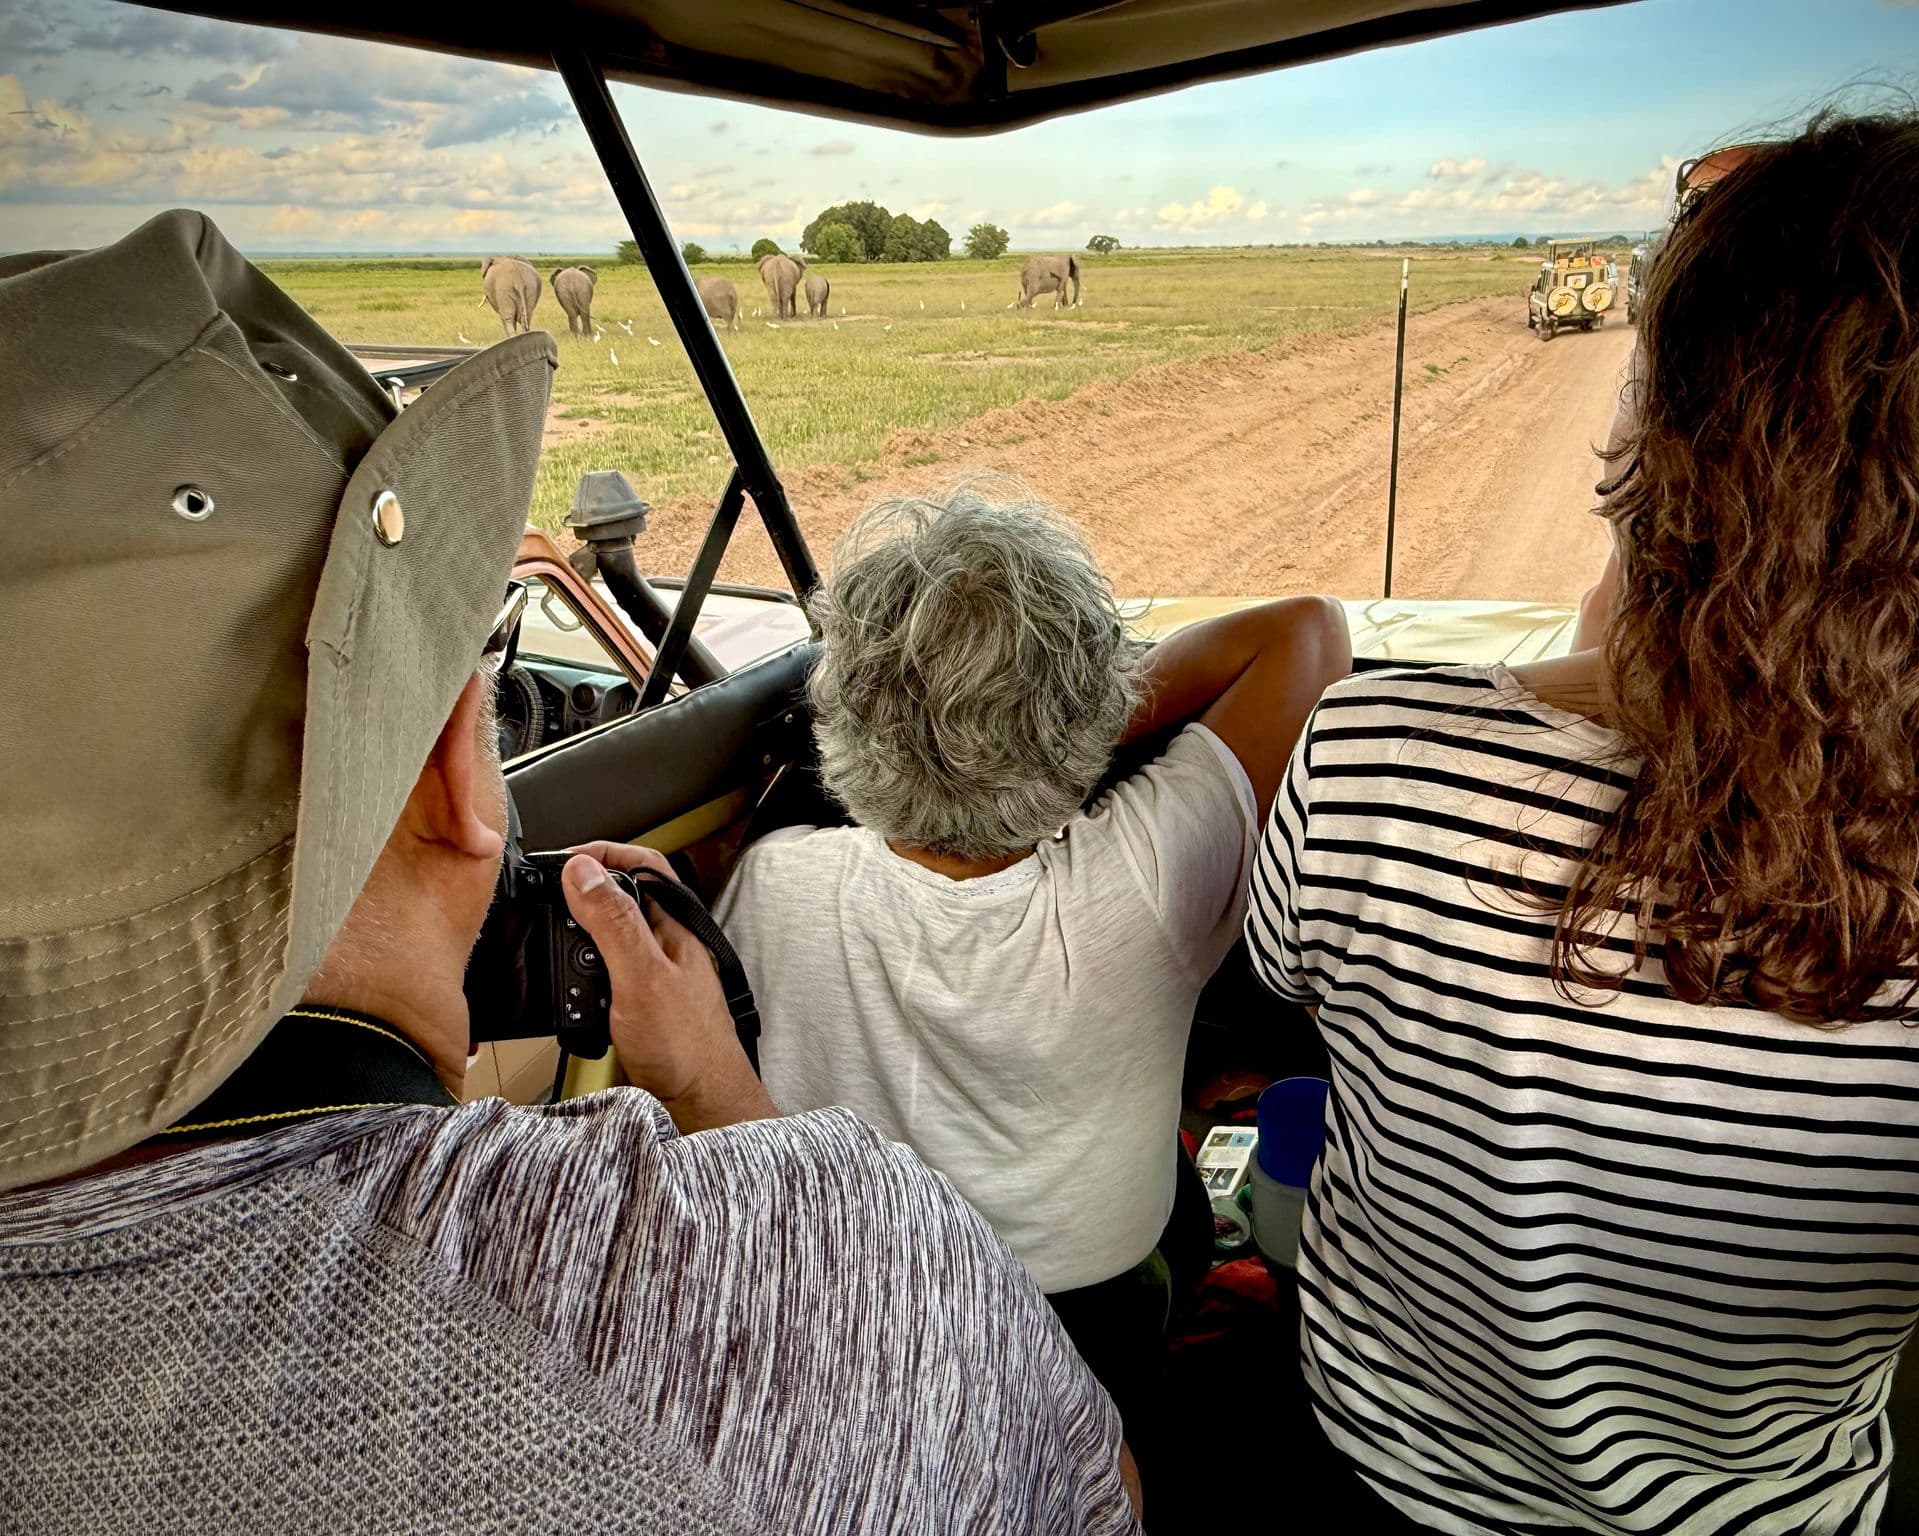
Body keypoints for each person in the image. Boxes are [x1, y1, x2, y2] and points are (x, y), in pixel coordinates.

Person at [0, 212, 1139, 1534]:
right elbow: (1102, 1489)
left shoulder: (788, 891)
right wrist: (715, 1087)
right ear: (448, 774)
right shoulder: (830, 1251)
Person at [1247, 112, 1919, 1535]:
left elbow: (1288, 989)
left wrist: (1613, 627)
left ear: (1664, 431)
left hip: (1386, 1481)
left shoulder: (1378, 754)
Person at [713, 484, 1351, 1445]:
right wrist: (1076, 731)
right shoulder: (1153, 871)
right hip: (1095, 1313)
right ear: (1086, 706)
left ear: (841, 712)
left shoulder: (770, 884)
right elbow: (1308, 632)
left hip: (866, 1321)